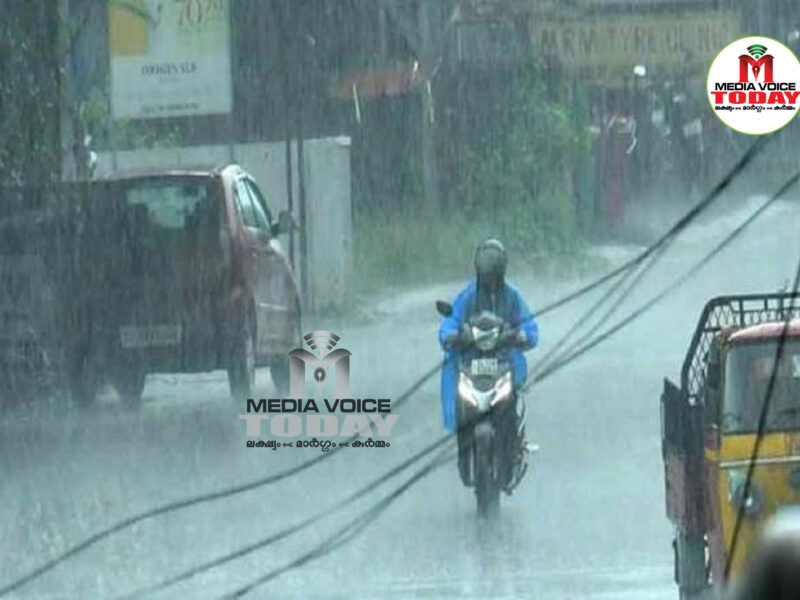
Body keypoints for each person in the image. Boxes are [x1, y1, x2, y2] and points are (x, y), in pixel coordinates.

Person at [438, 239, 539, 485]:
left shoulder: (513, 297)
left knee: (512, 397)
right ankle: (464, 445)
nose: (489, 279)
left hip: (504, 362)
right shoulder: (468, 296)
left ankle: (513, 443)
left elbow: (530, 325)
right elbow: (450, 322)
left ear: (501, 272)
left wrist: (522, 334)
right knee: (458, 396)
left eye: (493, 274)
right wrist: (451, 335)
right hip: (471, 363)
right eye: (485, 274)